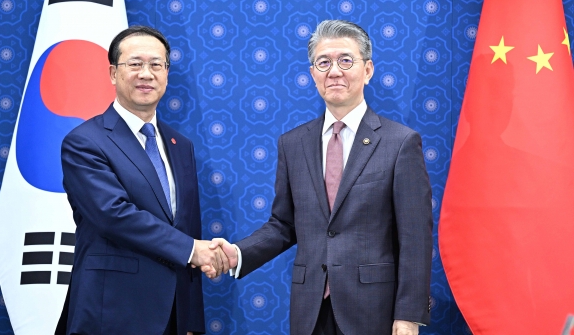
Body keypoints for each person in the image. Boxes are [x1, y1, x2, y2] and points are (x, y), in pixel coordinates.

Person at [211, 20, 433, 335]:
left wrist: (408, 315)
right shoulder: (293, 143)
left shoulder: (400, 143)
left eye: (346, 60)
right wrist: (237, 253)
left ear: (367, 70)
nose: (334, 71)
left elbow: (414, 238)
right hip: (310, 311)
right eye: (323, 62)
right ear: (313, 73)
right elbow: (283, 226)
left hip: (374, 312)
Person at [58, 25, 228, 335]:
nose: (146, 74)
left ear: (166, 73)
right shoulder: (85, 141)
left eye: (156, 64)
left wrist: (190, 320)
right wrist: (193, 249)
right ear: (113, 73)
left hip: (173, 317)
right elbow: (113, 214)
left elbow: (188, 226)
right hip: (111, 313)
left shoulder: (181, 145)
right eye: (135, 64)